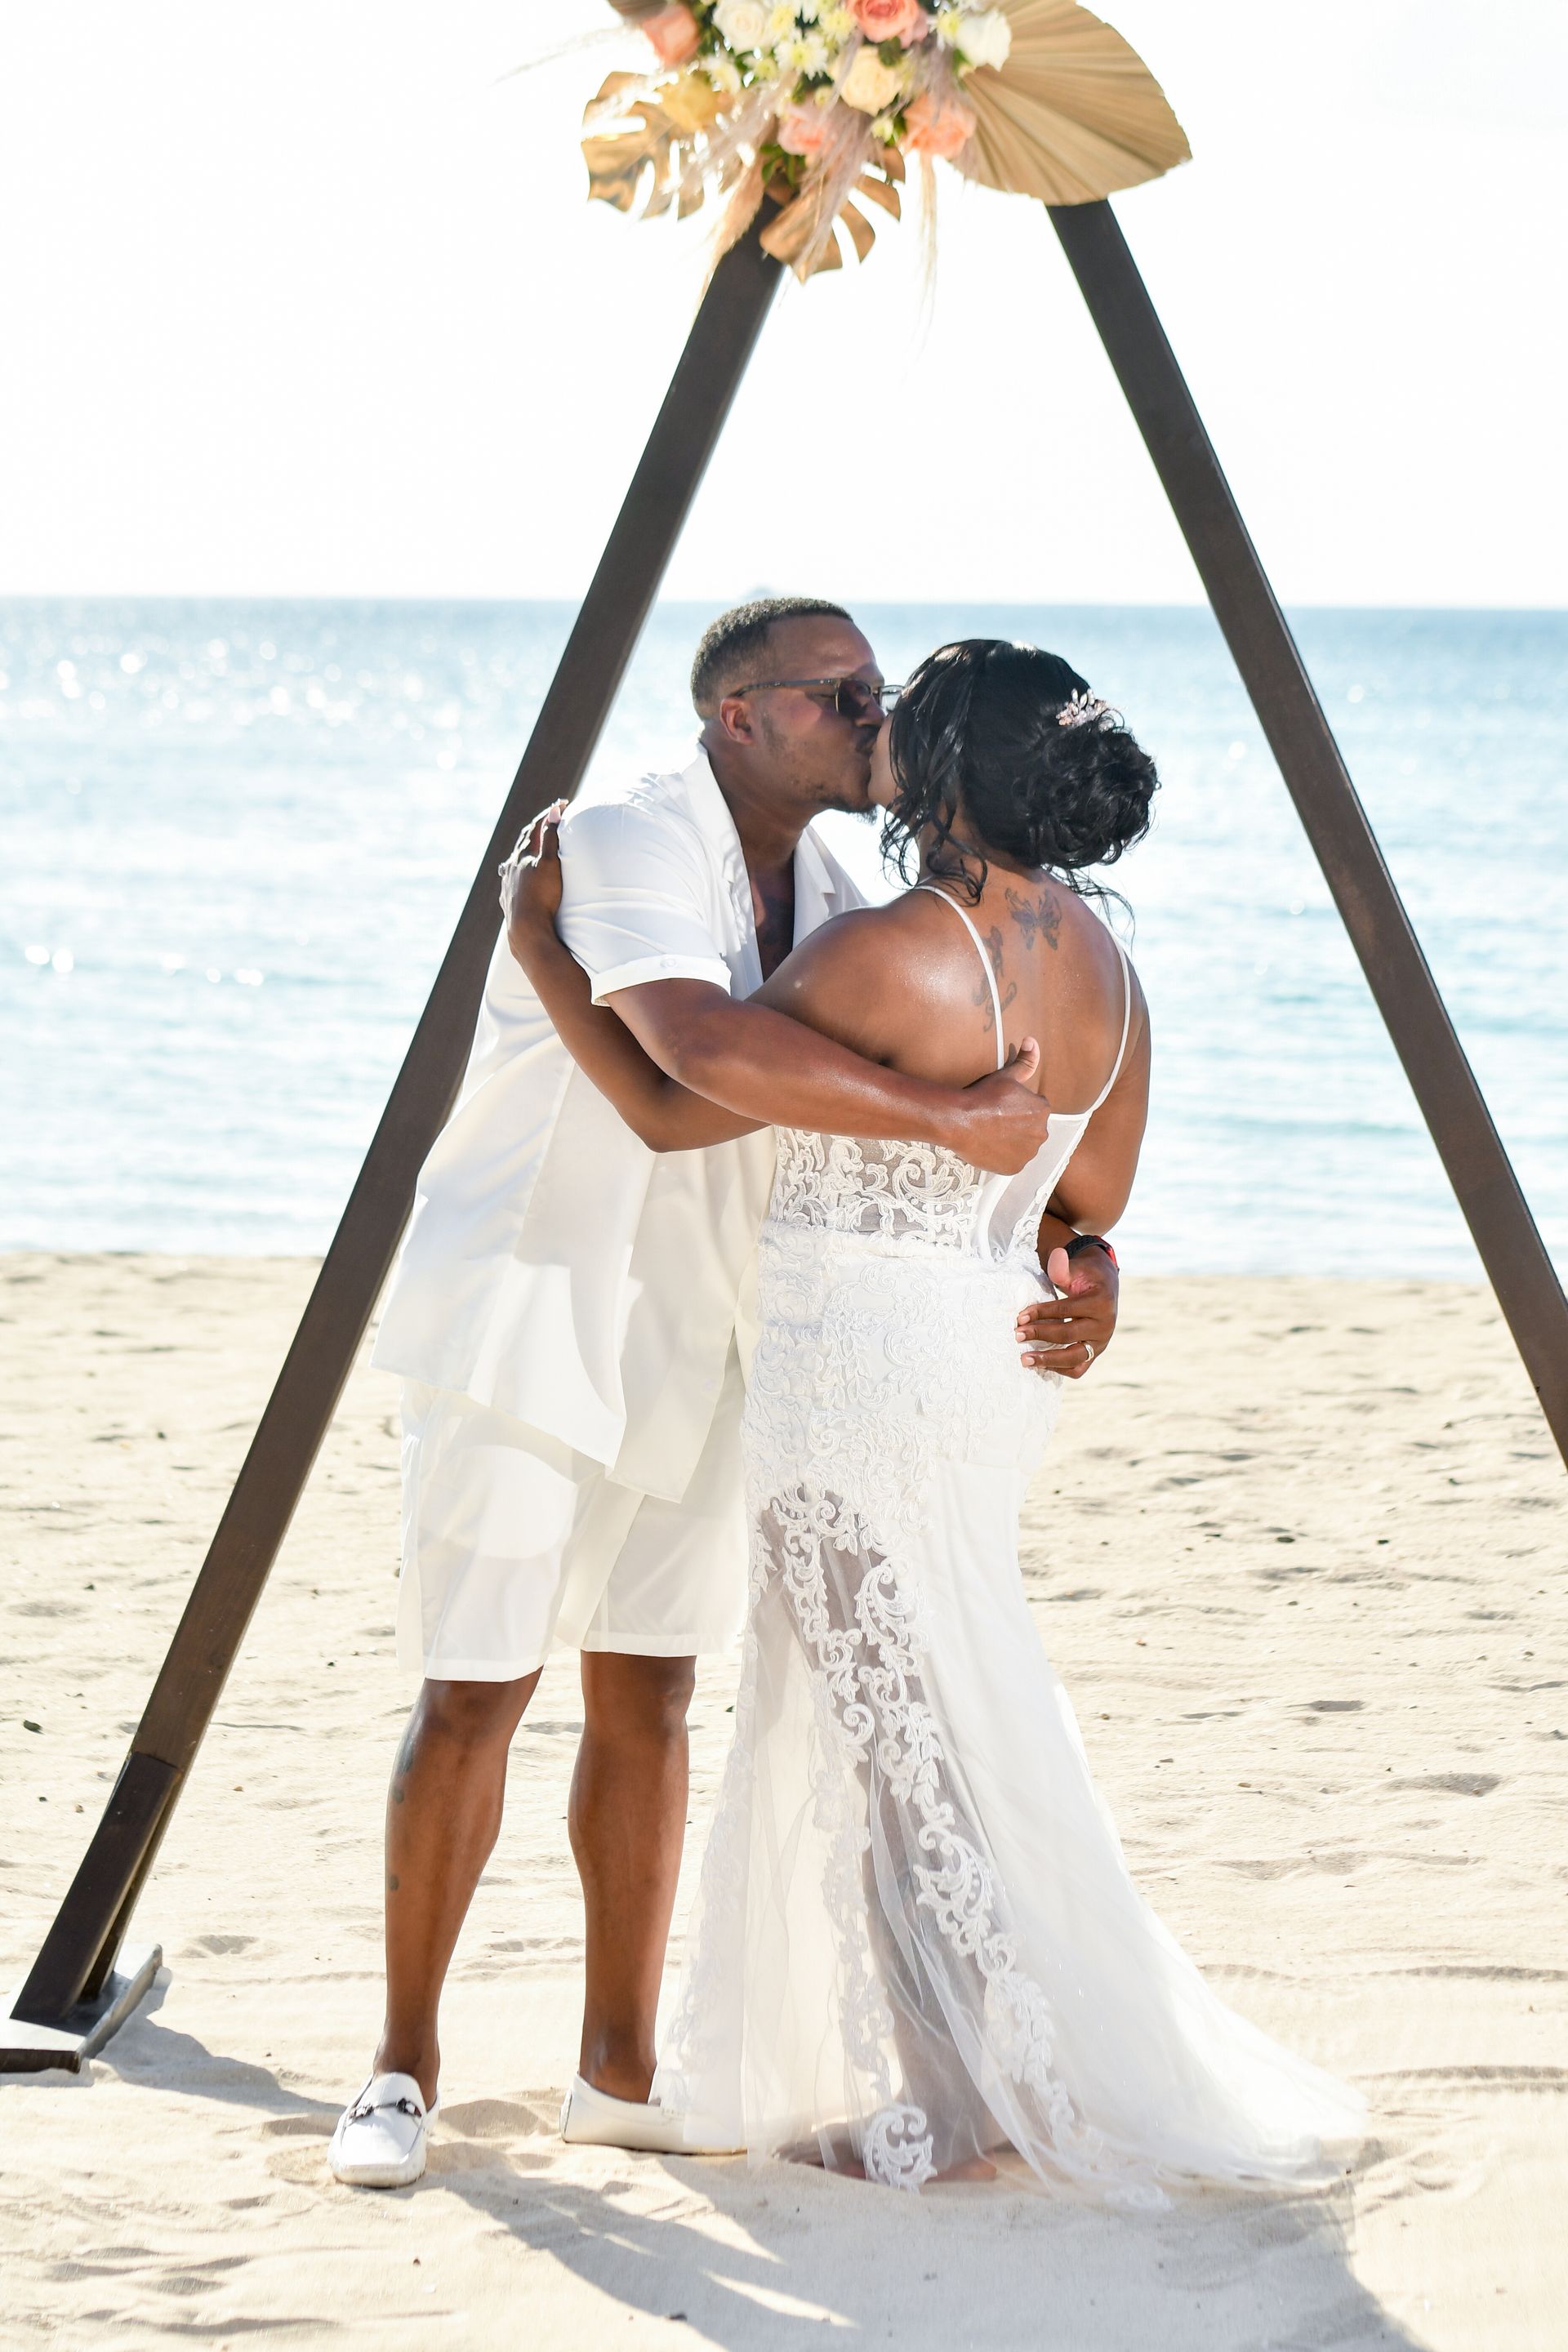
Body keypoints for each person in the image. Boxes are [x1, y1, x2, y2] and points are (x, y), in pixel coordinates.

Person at [507, 636, 1365, 2198]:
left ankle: (962, 2102)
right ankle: (977, 2071)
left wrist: (541, 947)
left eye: (903, 713)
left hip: (861, 1382)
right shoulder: (1108, 967)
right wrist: (1090, 1276)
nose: (876, 726)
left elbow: (670, 1096)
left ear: (953, 762)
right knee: (945, 1701)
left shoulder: (896, 948)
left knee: (892, 1735)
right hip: (984, 1372)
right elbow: (1085, 1204)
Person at [327, 600, 1121, 2189]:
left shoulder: (849, 889)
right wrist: (951, 1135)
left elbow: (1044, 1149)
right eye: (844, 695)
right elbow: (686, 1061)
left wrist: (1079, 1255)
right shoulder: (622, 836)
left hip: (722, 1338)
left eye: (883, 694)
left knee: (652, 1695)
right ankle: (400, 2070)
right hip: (535, 1307)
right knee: (478, 1686)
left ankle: (617, 2074)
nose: (874, 717)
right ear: (741, 714)